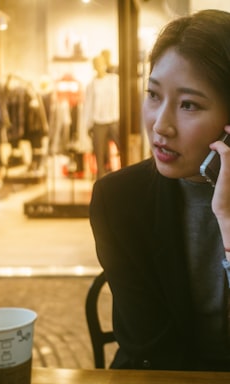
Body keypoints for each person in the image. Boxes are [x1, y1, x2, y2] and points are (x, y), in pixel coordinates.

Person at [89, 9, 230, 371]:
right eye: (153, 95)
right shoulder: (119, 200)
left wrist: (227, 222)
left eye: (188, 105)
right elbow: (150, 345)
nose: (161, 125)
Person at [84, 50, 120, 178]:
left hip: (114, 119)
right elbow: (88, 106)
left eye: (100, 63)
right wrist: (88, 125)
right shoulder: (91, 85)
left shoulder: (114, 80)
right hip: (98, 122)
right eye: (96, 64)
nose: (99, 66)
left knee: (122, 148)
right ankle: (100, 180)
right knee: (99, 154)